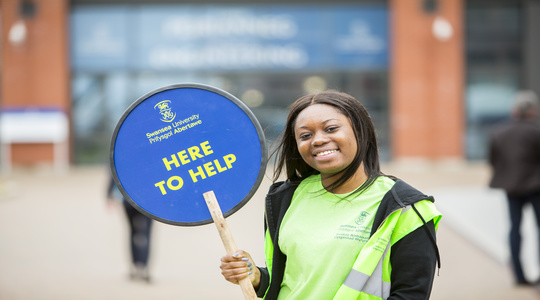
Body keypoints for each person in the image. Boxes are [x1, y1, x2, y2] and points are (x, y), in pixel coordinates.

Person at [220, 90, 442, 299]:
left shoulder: (405, 207)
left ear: (359, 130)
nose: (317, 140)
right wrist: (256, 277)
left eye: (331, 128)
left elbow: (411, 294)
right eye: (305, 135)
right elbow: (291, 281)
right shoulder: (286, 198)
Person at [488, 90, 540, 286]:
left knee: (514, 229)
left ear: (515, 110)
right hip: (536, 187)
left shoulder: (499, 132)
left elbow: (493, 160)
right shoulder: (536, 132)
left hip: (511, 188)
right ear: (532, 111)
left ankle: (518, 276)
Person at [107, 177, 153, 283]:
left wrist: (109, 195)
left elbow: (113, 174)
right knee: (146, 233)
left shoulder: (121, 160)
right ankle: (144, 267)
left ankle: (135, 266)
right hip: (148, 201)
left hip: (128, 199)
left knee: (132, 232)